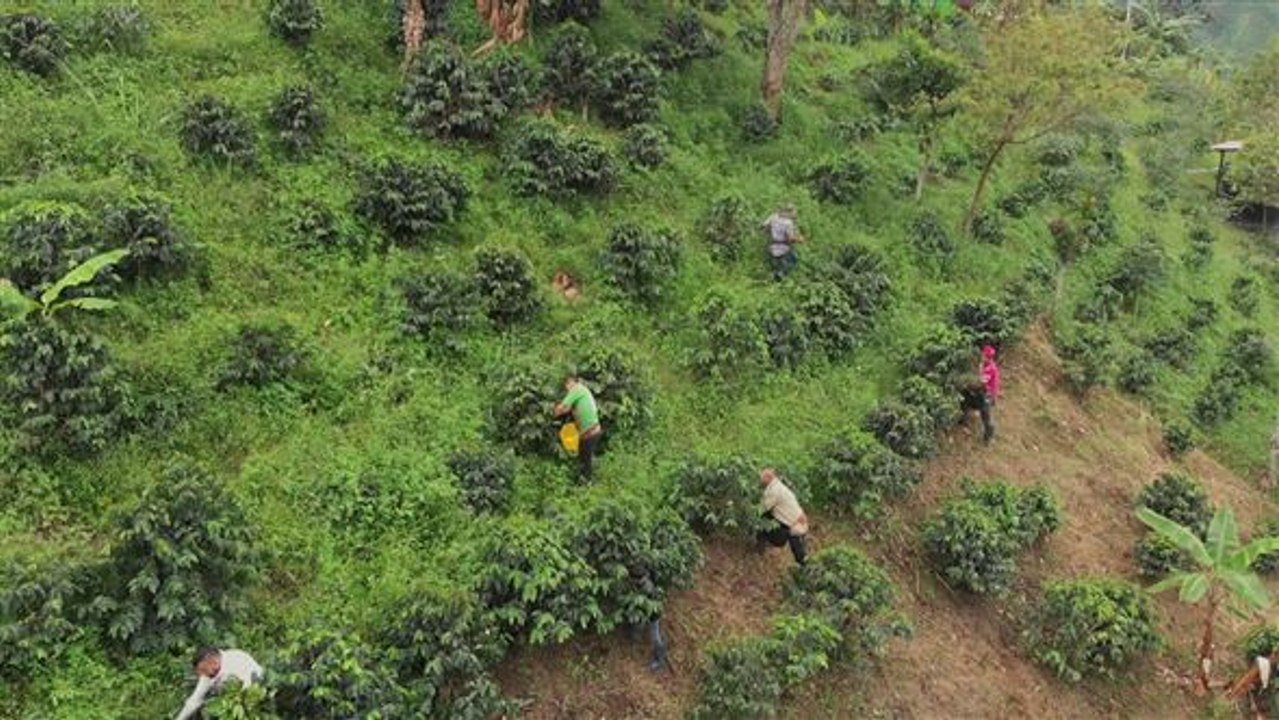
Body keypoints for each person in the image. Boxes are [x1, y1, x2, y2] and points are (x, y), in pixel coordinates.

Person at [175, 648, 263, 720]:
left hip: (256, 693)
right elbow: (194, 701)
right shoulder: (209, 673)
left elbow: (249, 689)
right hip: (228, 701)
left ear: (212, 661)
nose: (202, 675)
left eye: (203, 670)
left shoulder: (237, 660)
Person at [554, 375, 602, 482]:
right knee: (585, 460)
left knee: (585, 463)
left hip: (590, 433)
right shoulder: (583, 391)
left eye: (567, 385)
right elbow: (568, 409)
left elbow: (561, 409)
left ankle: (586, 486)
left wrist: (552, 411)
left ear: (570, 382)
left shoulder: (576, 389)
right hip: (593, 431)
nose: (567, 389)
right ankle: (586, 482)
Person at [756, 468, 809, 566]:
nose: (760, 480)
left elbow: (762, 509)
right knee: (797, 547)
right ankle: (803, 564)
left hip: (793, 526)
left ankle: (760, 546)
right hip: (796, 522)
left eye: (762, 477)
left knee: (762, 519)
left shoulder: (774, 490)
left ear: (768, 478)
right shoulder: (778, 486)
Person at [761, 205, 804, 281]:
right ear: (789, 212)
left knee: (775, 266)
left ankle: (774, 276)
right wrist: (799, 239)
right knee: (794, 259)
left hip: (772, 246)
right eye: (794, 213)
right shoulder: (788, 223)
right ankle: (780, 274)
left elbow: (764, 227)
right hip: (784, 248)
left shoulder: (773, 217)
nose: (795, 215)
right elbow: (790, 239)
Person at [978, 344, 1001, 443]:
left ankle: (989, 437)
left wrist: (979, 369)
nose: (982, 357)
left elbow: (982, 381)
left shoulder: (990, 368)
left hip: (989, 394)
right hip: (988, 393)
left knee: (986, 414)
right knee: (984, 413)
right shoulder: (987, 365)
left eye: (983, 356)